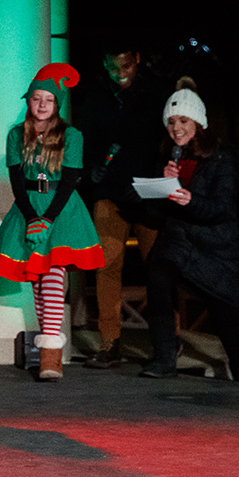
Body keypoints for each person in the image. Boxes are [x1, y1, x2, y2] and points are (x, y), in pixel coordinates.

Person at [0, 64, 104, 381]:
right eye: (36, 98)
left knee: (53, 271)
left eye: (48, 100)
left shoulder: (71, 136)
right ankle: (48, 352)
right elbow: (16, 181)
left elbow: (68, 181)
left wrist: (48, 218)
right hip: (28, 208)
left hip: (60, 208)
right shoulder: (16, 135)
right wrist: (30, 217)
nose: (41, 105)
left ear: (57, 105)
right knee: (37, 277)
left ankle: (51, 358)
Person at [139, 79, 239, 382]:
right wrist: (160, 189)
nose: (176, 128)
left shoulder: (222, 156)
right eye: (171, 122)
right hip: (179, 240)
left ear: (198, 122)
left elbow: (221, 208)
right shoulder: (168, 153)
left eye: (183, 121)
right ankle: (165, 356)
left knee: (225, 315)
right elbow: (156, 215)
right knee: (158, 274)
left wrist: (190, 199)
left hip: (215, 247)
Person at [77, 45, 169, 369]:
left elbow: (168, 140)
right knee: (106, 267)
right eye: (114, 68)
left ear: (138, 59)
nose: (121, 74)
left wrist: (156, 180)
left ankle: (167, 344)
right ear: (104, 64)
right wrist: (92, 171)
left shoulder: (157, 93)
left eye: (126, 66)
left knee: (158, 270)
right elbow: (87, 142)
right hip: (109, 194)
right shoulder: (97, 96)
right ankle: (109, 344)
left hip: (148, 195)